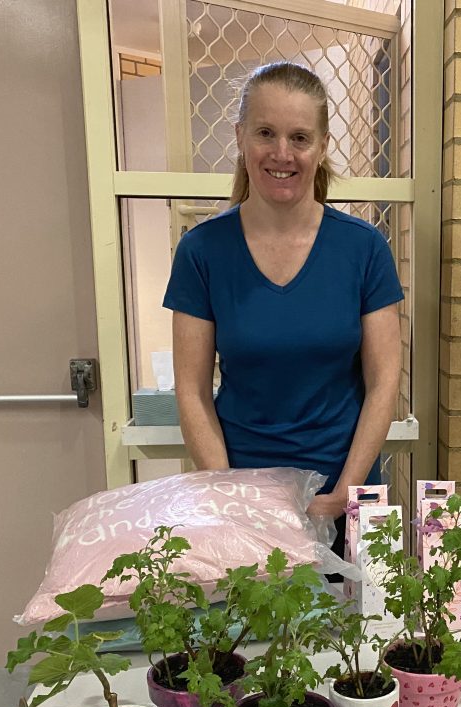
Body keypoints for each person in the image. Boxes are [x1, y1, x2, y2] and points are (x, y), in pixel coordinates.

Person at [163, 62, 403, 539]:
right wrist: (233, 496)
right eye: (265, 133)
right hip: (243, 499)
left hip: (346, 495)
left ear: (322, 146)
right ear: (239, 136)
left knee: (355, 614)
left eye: (299, 137)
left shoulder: (364, 249)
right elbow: (190, 391)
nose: (281, 153)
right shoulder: (202, 251)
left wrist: (344, 495)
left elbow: (384, 381)